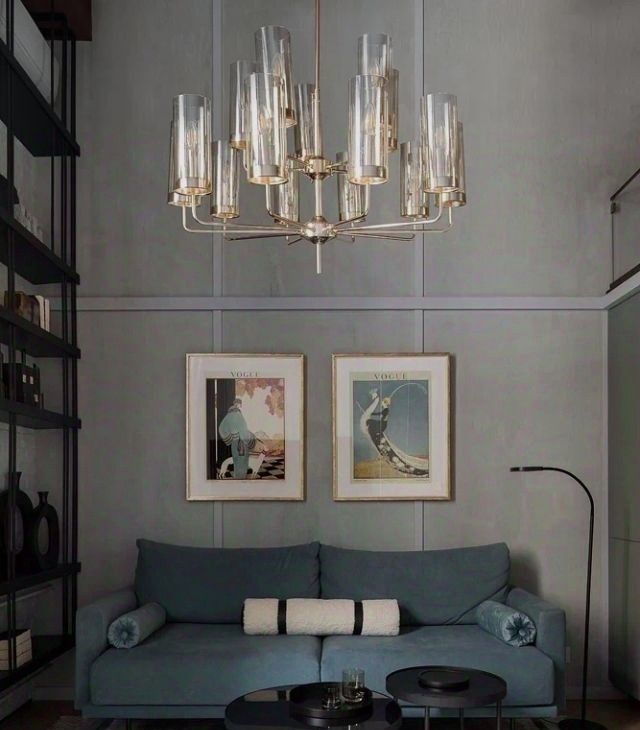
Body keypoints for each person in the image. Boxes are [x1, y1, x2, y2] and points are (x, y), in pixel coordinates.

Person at [218, 398, 256, 479]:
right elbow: (243, 432)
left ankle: (237, 481)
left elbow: (221, 428)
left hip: (234, 444)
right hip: (242, 444)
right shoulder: (238, 415)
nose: (241, 405)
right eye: (240, 404)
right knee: (242, 464)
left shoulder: (228, 415)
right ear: (238, 404)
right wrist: (251, 440)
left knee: (236, 463)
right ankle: (240, 482)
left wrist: (230, 438)